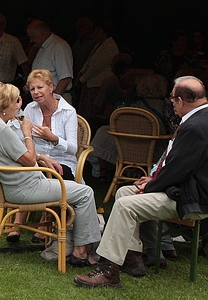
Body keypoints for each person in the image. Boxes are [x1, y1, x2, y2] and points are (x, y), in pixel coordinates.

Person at [74, 76, 208, 288]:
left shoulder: (196, 126)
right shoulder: (200, 118)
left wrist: (153, 185)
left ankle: (108, 271)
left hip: (192, 200)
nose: (170, 102)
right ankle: (133, 256)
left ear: (181, 101)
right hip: (186, 190)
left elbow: (178, 170)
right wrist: (154, 180)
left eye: (173, 98)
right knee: (125, 192)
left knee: (125, 205)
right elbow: (178, 167)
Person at [0, 82, 100, 266]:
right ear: (4, 105)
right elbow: (28, 159)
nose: (18, 105)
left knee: (76, 190)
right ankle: (80, 252)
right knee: (85, 192)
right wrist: (27, 133)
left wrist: (42, 157)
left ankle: (69, 245)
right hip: (26, 188)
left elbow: (18, 153)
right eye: (15, 101)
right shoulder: (2, 129)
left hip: (15, 185)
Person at [7, 69, 79, 243]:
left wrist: (53, 139)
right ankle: (17, 223)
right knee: (26, 168)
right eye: (32, 89)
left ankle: (44, 223)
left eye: (40, 87)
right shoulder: (30, 109)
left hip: (63, 161)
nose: (36, 92)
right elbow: (20, 134)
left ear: (51, 87)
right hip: (38, 159)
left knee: (48, 171)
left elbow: (73, 148)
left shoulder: (68, 112)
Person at [76, 20, 119, 120]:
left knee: (92, 114)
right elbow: (89, 61)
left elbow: (97, 67)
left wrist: (82, 79)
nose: (96, 32)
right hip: (89, 83)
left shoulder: (110, 46)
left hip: (98, 85)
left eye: (99, 30)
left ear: (105, 31)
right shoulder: (99, 44)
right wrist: (81, 72)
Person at [27, 20, 74, 99]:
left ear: (42, 33)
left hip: (57, 100)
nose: (31, 41)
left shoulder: (59, 47)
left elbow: (65, 78)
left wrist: (53, 100)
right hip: (42, 100)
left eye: (32, 37)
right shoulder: (42, 48)